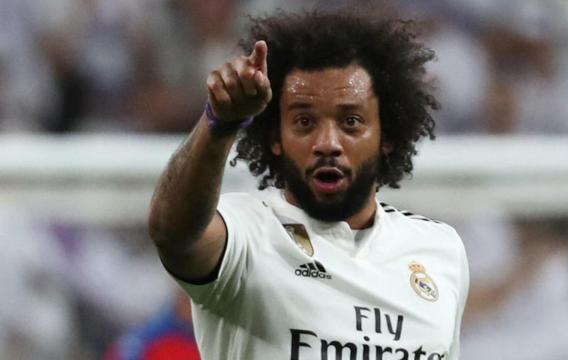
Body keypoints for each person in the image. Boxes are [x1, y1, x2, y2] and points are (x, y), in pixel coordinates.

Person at [148, 10, 469, 360]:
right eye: (304, 122)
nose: (328, 142)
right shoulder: (246, 235)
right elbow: (173, 232)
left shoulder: (440, 251)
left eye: (351, 121)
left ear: (386, 136)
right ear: (276, 138)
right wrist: (219, 125)